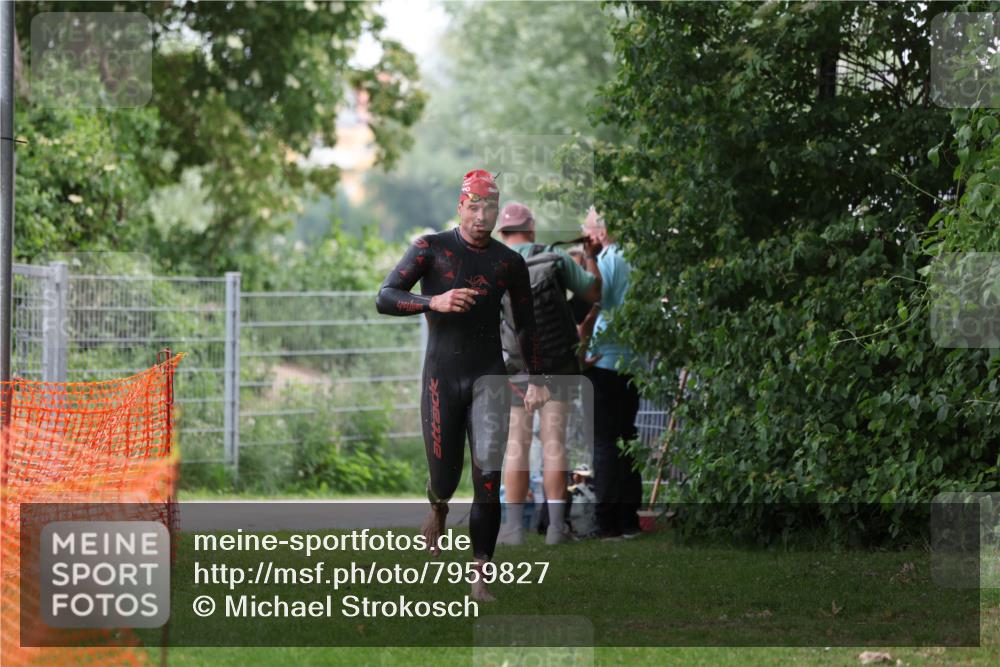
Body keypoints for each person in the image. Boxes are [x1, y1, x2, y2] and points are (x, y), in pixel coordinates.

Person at [375, 169, 551, 601]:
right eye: (474, 207)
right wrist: (433, 301)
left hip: (489, 375)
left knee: (488, 475)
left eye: (490, 208)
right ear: (461, 207)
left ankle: (480, 576)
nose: (482, 216)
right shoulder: (431, 249)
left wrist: (537, 379)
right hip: (441, 376)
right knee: (446, 475)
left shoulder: (508, 262)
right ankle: (438, 506)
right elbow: (385, 296)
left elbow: (527, 326)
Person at [493, 202, 602, 546]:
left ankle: (513, 528)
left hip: (516, 366)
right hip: (558, 364)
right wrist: (591, 257)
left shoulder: (493, 264)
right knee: (555, 442)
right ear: (532, 228)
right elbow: (594, 293)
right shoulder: (556, 260)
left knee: (516, 444)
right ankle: (556, 528)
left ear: (502, 232)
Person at [579, 206, 642, 540]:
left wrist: (580, 347)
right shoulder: (636, 259)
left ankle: (605, 522)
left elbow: (593, 302)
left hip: (602, 361)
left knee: (603, 443)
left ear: (600, 232)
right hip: (633, 363)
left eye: (587, 228)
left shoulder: (605, 261)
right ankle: (630, 519)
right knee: (627, 439)